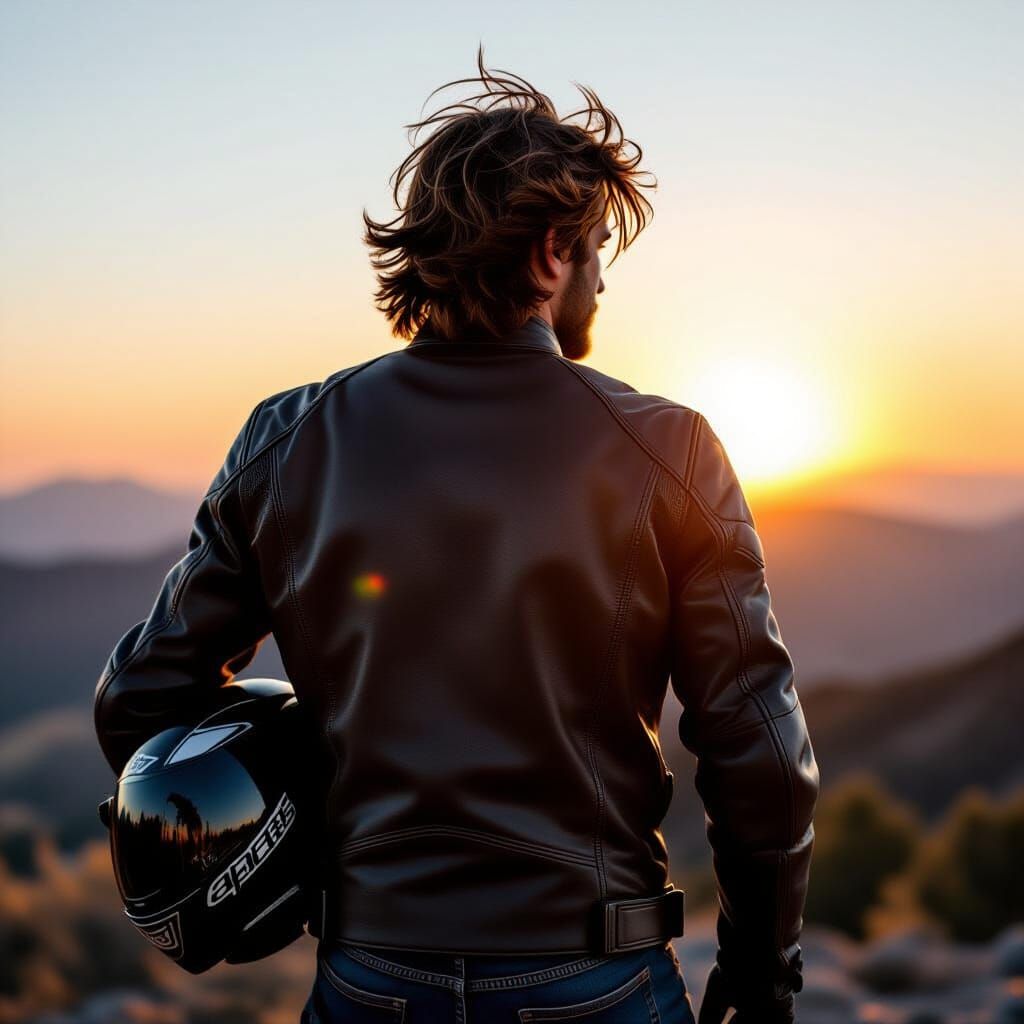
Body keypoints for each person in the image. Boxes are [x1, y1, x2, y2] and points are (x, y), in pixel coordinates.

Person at [94, 45, 819, 1024]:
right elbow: (760, 753)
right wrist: (762, 974)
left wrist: (284, 826)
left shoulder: (287, 438)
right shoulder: (669, 449)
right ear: (552, 251)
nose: (601, 281)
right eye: (596, 248)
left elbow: (140, 701)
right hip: (594, 979)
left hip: (367, 978)